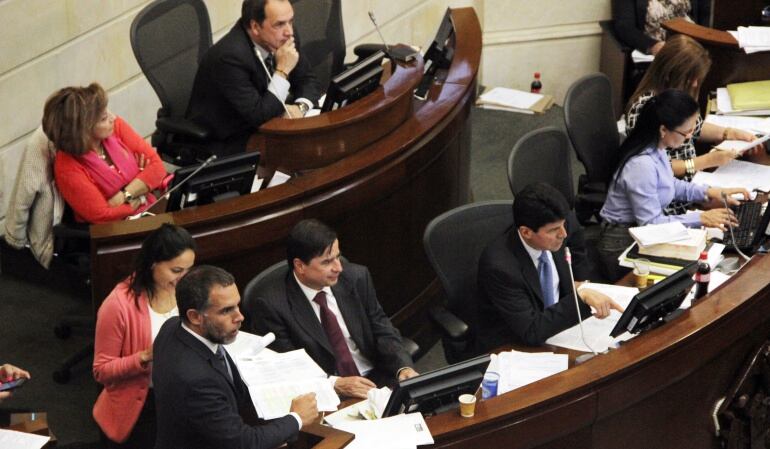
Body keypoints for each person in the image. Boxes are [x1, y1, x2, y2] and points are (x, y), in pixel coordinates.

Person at [247, 219, 418, 399]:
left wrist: (403, 367)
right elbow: (287, 368)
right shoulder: (271, 305)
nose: (338, 267)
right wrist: (334, 384)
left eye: (337, 256)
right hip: (326, 392)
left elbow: (382, 329)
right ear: (300, 266)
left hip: (376, 378)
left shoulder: (356, 278)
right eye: (327, 262)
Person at [153, 265, 318, 449]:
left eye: (237, 305)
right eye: (226, 311)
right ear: (195, 317)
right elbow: (243, 443)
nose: (239, 317)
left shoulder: (172, 326)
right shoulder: (196, 379)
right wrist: (296, 419)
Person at [600, 89, 750, 281]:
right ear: (663, 130)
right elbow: (651, 224)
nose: (689, 137)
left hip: (641, 230)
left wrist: (710, 192)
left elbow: (669, 184)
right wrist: (701, 217)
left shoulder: (657, 148)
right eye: (686, 132)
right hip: (623, 242)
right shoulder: (641, 165)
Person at [475, 183, 624, 351]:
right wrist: (579, 298)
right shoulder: (500, 268)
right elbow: (531, 331)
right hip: (515, 343)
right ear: (526, 232)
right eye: (554, 230)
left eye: (563, 224)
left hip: (558, 325)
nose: (563, 234)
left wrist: (582, 282)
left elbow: (575, 239)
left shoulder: (558, 225)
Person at [625, 34, 758, 216]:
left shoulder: (677, 96)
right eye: (691, 78)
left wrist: (728, 133)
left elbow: (694, 128)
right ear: (671, 73)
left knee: (746, 202)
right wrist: (705, 162)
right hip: (666, 201)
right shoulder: (646, 108)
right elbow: (651, 169)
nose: (695, 83)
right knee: (736, 212)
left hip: (688, 187)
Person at [92, 224, 196, 448]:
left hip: (181, 397)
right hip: (141, 407)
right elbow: (101, 370)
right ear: (152, 264)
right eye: (176, 271)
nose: (184, 278)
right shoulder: (118, 305)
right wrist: (144, 357)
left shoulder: (186, 291)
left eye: (189, 270)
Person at [186, 0, 322, 156]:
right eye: (279, 24)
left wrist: (300, 108)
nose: (289, 31)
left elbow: (308, 80)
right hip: (232, 138)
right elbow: (260, 116)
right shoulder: (229, 57)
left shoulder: (284, 36)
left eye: (290, 21)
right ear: (256, 27)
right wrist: (283, 71)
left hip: (269, 122)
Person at [42, 83, 167, 224]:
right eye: (103, 118)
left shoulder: (115, 127)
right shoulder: (67, 167)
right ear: (83, 131)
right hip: (115, 234)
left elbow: (158, 169)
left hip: (152, 210)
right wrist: (141, 182)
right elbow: (102, 215)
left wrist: (126, 195)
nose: (113, 118)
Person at [612, 0, 710, 55]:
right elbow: (624, 26)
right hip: (658, 50)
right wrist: (653, 46)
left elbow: (707, 17)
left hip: (692, 48)